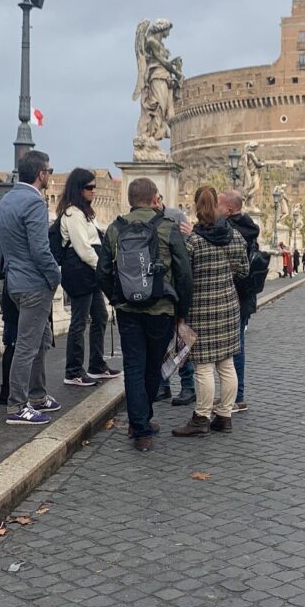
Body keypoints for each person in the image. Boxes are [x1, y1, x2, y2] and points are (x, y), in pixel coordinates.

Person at [98, 177, 192, 451]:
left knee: (134, 367)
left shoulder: (114, 229)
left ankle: (140, 428)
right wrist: (181, 311)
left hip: (128, 311)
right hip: (160, 309)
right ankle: (142, 421)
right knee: (153, 368)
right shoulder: (167, 228)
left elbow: (102, 272)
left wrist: (117, 299)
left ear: (130, 200)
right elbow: (184, 273)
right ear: (154, 199)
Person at [173, 186, 249, 438]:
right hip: (228, 307)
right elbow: (243, 270)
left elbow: (183, 278)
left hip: (201, 309)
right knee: (226, 364)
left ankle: (202, 418)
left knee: (203, 366)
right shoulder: (234, 237)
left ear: (197, 207)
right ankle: (225, 416)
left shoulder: (193, 241)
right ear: (216, 206)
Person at [0, 151, 62, 425]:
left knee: (41, 340)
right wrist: (55, 275)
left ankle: (38, 395)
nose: (49, 175)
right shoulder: (34, 203)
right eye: (49, 170)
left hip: (15, 282)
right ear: (41, 174)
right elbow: (40, 249)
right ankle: (17, 405)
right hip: (35, 284)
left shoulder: (6, 199)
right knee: (27, 345)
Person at [56, 168, 121, 387]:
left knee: (100, 317)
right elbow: (83, 248)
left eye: (95, 187)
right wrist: (102, 268)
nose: (94, 191)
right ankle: (73, 370)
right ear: (78, 189)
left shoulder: (84, 213)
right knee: (79, 321)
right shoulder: (73, 213)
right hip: (81, 272)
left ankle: (96, 365)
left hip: (89, 273)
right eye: (89, 187)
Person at [217, 189, 261, 413]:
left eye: (218, 205)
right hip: (244, 296)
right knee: (234, 346)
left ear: (230, 210)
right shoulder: (248, 229)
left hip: (234, 296)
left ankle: (237, 397)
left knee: (235, 348)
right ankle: (232, 394)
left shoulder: (231, 232)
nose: (215, 209)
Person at [156, 206, 197, 408]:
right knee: (163, 340)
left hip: (176, 290)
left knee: (182, 340)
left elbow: (184, 267)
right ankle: (164, 384)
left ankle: (187, 385)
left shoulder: (175, 220)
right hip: (162, 292)